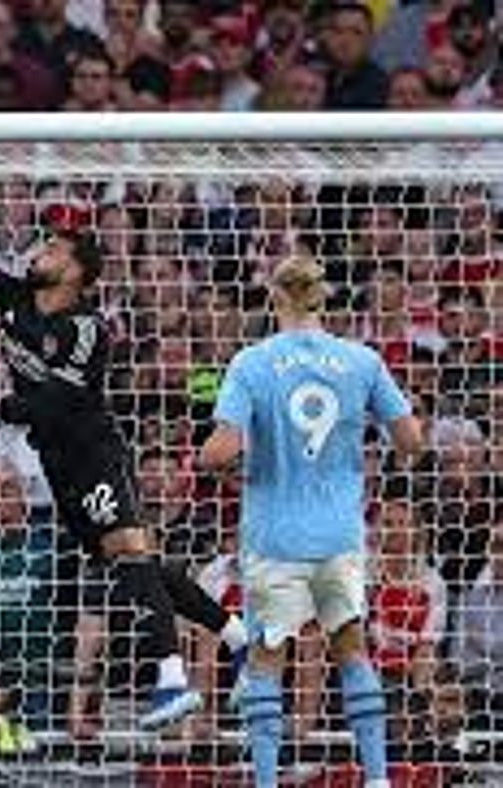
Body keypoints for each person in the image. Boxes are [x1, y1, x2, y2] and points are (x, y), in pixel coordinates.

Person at [0, 145, 248, 730]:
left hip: (94, 454)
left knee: (129, 552)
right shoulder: (17, 302)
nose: (39, 251)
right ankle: (238, 636)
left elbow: (56, 403)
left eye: (52, 247)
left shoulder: (87, 329)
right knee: (134, 564)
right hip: (57, 466)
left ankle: (171, 681)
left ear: (76, 271)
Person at [199, 256, 426, 788]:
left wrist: (215, 459)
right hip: (339, 534)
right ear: (323, 299)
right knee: (351, 650)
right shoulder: (362, 360)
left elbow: (222, 450)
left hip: (275, 535)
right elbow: (411, 440)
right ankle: (377, 778)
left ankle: (266, 780)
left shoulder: (252, 363)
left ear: (275, 298)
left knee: (266, 659)